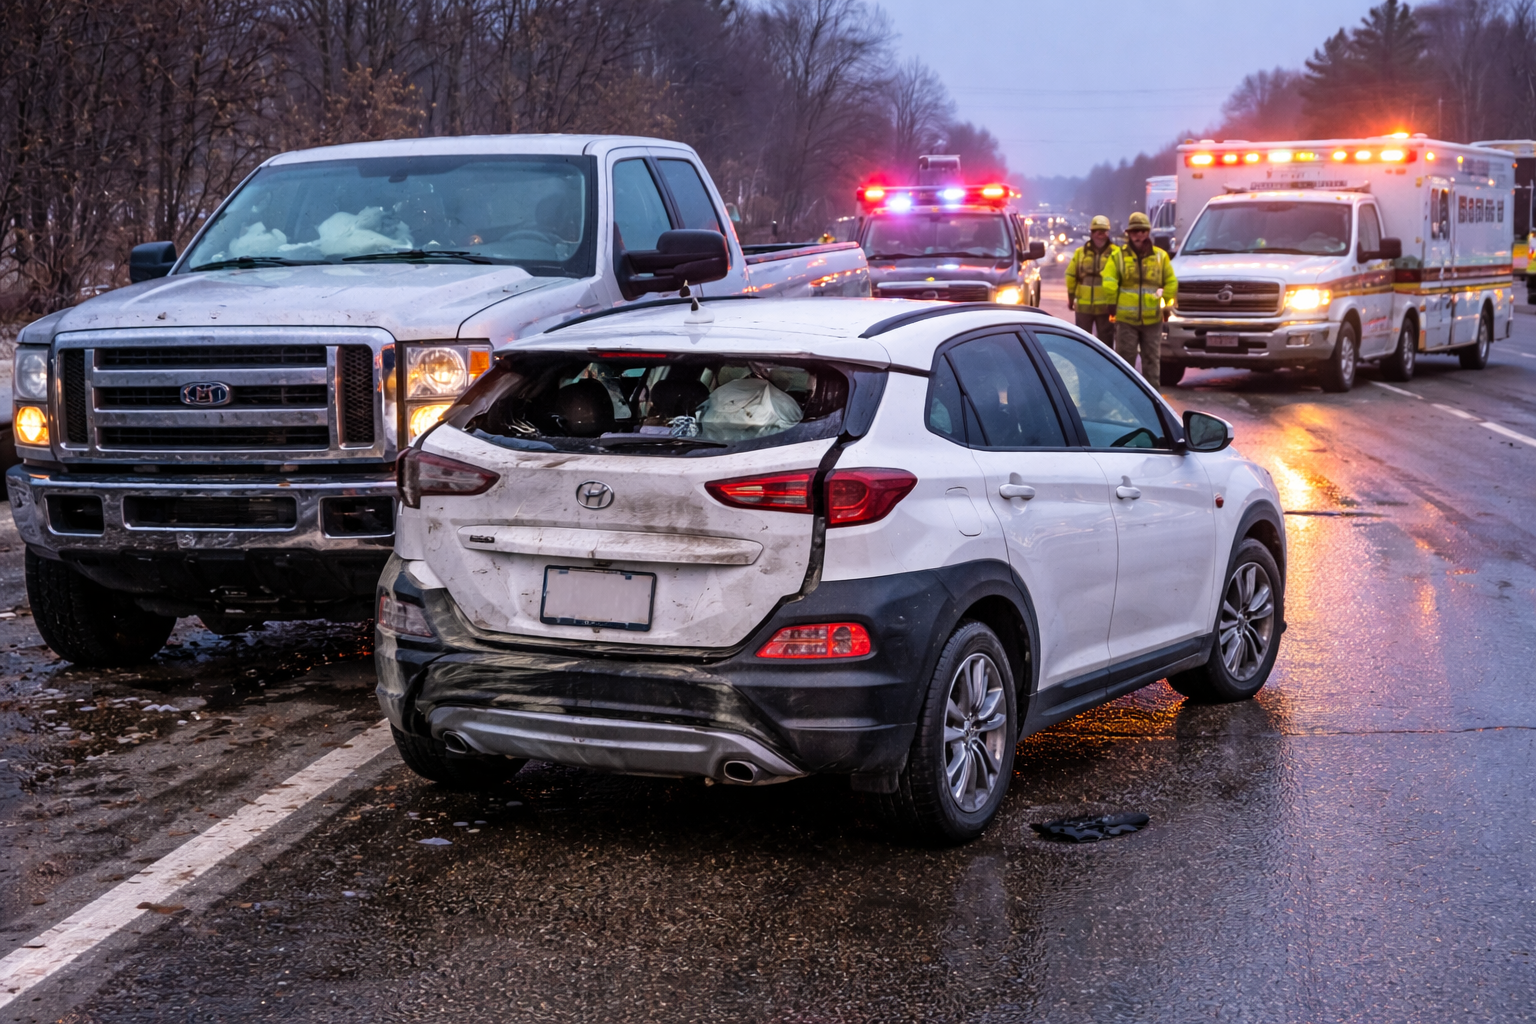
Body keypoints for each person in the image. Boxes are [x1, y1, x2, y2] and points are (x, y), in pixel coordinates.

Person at [1104, 211, 1177, 385]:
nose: (1139, 235)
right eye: (1135, 231)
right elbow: (1109, 280)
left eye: (1142, 231)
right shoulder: (1118, 256)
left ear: (1148, 232)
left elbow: (1171, 281)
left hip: (1153, 320)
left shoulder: (1161, 256)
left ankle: (1154, 405)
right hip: (1126, 320)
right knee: (1125, 364)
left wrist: (1166, 304)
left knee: (1152, 363)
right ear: (1129, 234)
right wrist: (1112, 302)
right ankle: (1125, 402)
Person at [1065, 214, 1118, 340]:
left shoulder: (1116, 253)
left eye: (1103, 231)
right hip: (1084, 307)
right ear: (1091, 232)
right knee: (1082, 342)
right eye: (1097, 231)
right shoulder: (1080, 253)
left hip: (1106, 308)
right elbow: (1071, 275)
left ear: (1108, 233)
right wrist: (1071, 297)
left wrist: (1115, 304)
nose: (1100, 234)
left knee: (1106, 343)